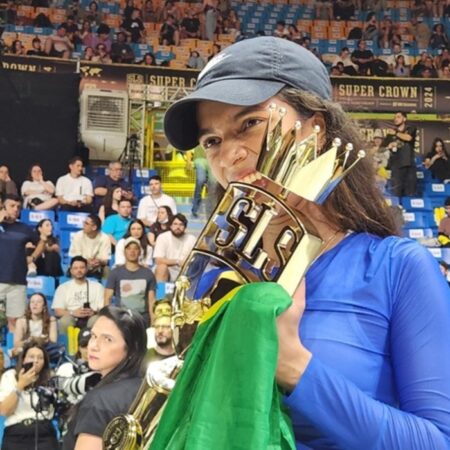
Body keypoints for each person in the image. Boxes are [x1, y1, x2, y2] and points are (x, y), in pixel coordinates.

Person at [160, 36, 450, 448]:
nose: (229, 156)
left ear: (314, 129)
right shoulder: (213, 282)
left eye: (249, 124)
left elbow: (438, 441)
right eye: (212, 141)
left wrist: (293, 365)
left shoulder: (397, 267)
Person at [62, 306, 147, 450]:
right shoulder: (145, 389)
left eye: (107, 339)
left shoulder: (99, 401)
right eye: (93, 336)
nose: (94, 346)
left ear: (132, 349)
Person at [0, 342, 58, 450]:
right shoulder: (10, 376)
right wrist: (20, 385)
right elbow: (4, 410)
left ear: (44, 362)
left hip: (45, 433)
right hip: (16, 434)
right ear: (24, 359)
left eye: (40, 358)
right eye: (31, 357)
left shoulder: (51, 378)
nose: (35, 361)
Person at [0, 195, 45, 331]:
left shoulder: (24, 228)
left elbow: (41, 242)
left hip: (18, 281)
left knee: (16, 322)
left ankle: (14, 351)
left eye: (18, 207)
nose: (16, 209)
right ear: (3, 207)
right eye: (12, 206)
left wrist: (33, 257)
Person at [104, 237, 156, 324]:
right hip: (121, 319)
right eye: (129, 248)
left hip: (142, 319)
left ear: (140, 252)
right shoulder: (115, 273)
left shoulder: (148, 274)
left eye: (135, 249)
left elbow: (152, 301)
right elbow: (107, 298)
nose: (132, 251)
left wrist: (153, 322)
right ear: (124, 252)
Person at [53, 256, 104, 334]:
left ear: (86, 269)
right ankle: (66, 345)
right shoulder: (63, 288)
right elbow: (57, 311)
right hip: (71, 316)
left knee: (96, 320)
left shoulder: (98, 287)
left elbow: (103, 309)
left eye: (82, 267)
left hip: (91, 317)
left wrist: (94, 312)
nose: (79, 270)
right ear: (71, 270)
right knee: (65, 321)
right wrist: (73, 313)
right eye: (76, 268)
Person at [12, 293, 58, 359]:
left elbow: (53, 341)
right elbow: (16, 343)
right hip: (27, 349)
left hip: (45, 350)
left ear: (44, 306)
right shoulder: (21, 321)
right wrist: (30, 340)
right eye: (32, 302)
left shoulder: (51, 319)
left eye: (38, 302)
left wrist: (39, 340)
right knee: (18, 350)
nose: (35, 304)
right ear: (29, 305)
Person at [153, 213, 196, 282]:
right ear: (170, 226)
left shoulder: (191, 239)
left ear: (185, 227)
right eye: (175, 224)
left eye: (181, 224)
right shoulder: (163, 237)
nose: (178, 227)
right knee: (161, 268)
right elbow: (158, 260)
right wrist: (177, 262)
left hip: (186, 272)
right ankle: (161, 292)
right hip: (168, 270)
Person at [69, 214, 111, 279]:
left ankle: (105, 288)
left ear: (94, 227)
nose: (83, 225)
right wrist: (87, 262)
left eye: (86, 223)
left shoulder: (105, 238)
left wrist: (99, 261)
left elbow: (105, 260)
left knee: (107, 269)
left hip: (97, 266)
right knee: (75, 268)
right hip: (81, 264)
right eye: (84, 222)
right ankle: (75, 288)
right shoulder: (78, 236)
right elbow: (76, 258)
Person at [385, 111, 417, 197]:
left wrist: (396, 134)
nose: (396, 119)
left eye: (398, 117)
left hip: (408, 164)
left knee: (410, 191)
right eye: (395, 117)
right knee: (396, 192)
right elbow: (384, 147)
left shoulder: (410, 128)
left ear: (404, 119)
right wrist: (390, 146)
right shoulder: (390, 133)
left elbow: (408, 138)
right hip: (396, 165)